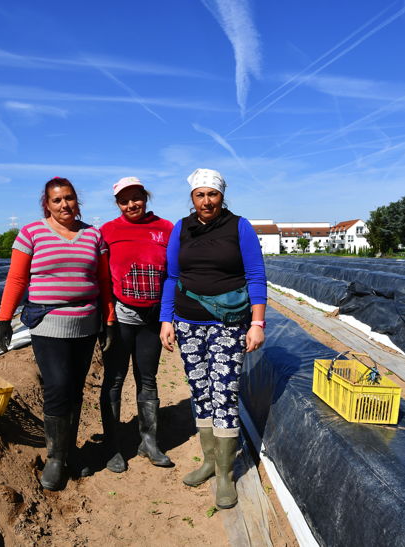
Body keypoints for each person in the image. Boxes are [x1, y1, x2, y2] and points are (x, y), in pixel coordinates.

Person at [0, 177, 115, 491]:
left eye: (69, 198)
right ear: (47, 204)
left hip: (86, 323)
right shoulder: (31, 233)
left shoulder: (93, 235)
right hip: (48, 322)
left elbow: (103, 281)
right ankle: (55, 458)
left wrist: (109, 321)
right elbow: (17, 279)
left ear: (78, 201)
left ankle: (70, 451)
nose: (65, 205)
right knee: (58, 386)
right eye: (57, 200)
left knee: (74, 389)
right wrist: (4, 318)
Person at [159, 168, 267, 510]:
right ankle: (208, 461)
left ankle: (225, 473)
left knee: (225, 391)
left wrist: (257, 322)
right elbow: (172, 276)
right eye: (200, 195)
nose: (206, 201)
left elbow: (256, 275)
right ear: (192, 198)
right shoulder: (181, 228)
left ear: (222, 195)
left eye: (213, 194)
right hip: (188, 321)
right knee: (200, 390)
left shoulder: (239, 227)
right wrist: (166, 319)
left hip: (228, 324)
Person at [99, 177, 174, 473]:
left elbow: (172, 277)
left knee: (148, 378)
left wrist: (168, 316)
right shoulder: (107, 231)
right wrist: (106, 317)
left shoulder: (165, 229)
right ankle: (113, 445)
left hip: (152, 318)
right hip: (119, 317)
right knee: (114, 379)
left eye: (136, 197)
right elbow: (102, 276)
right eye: (124, 200)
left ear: (146, 197)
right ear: (118, 203)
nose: (131, 204)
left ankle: (149, 441)